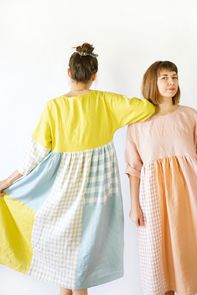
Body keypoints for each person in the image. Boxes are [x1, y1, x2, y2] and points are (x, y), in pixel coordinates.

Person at [0, 43, 155, 295]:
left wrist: (8, 182)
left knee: (69, 262)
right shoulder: (106, 101)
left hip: (61, 190)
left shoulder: (54, 106)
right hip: (97, 193)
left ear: (69, 72)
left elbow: (35, 154)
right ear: (94, 75)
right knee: (79, 262)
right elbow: (146, 108)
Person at [125, 60, 197, 295]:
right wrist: (134, 205)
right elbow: (134, 168)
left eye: (174, 77)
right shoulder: (137, 123)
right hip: (155, 201)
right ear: (152, 82)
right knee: (160, 263)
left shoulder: (189, 115)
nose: (171, 82)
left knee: (187, 260)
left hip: (191, 197)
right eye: (164, 77)